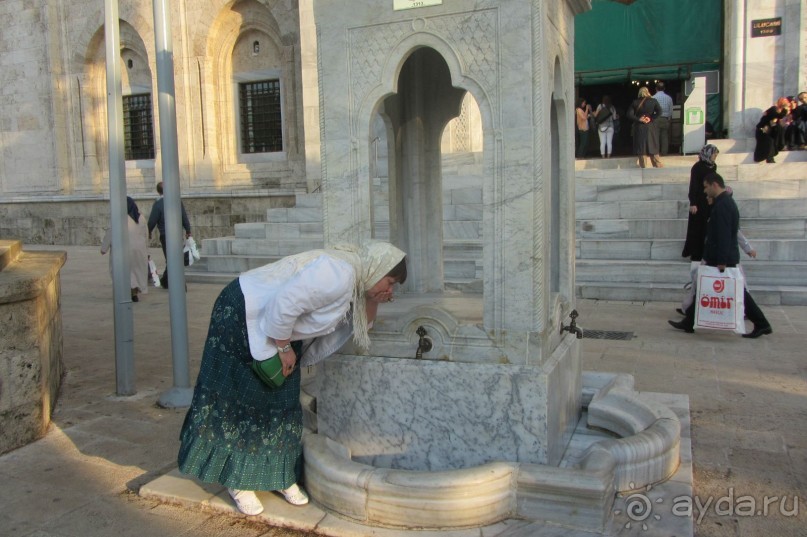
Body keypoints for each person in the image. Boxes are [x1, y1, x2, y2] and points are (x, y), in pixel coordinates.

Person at [177, 241, 407, 515]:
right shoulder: (338, 273)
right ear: (377, 268)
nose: (389, 290)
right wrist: (284, 348)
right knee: (245, 398)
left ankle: (279, 475)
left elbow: (363, 326)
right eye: (389, 282)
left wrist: (373, 297)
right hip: (243, 317)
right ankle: (237, 480)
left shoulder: (358, 282)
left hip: (279, 330)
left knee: (283, 403)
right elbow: (284, 303)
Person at [668, 173, 772, 338]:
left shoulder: (724, 205)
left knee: (738, 293)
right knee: (705, 288)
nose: (704, 190)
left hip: (721, 258)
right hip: (718, 256)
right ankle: (689, 322)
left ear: (714, 185)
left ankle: (761, 323)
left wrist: (722, 261)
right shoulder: (723, 203)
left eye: (706, 186)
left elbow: (724, 234)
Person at [100, 197, 149, 302]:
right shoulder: (141, 218)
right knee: (136, 271)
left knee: (124, 271)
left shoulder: (119, 218)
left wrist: (104, 248)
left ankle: (128, 292)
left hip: (123, 249)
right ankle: (134, 293)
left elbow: (110, 233)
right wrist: (146, 250)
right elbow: (146, 235)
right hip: (139, 250)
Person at [147, 181, 192, 287]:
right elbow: (184, 216)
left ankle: (170, 281)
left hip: (165, 236)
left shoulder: (157, 205)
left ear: (158, 192)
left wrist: (148, 231)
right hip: (177, 235)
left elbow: (152, 221)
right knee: (174, 257)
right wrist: (188, 230)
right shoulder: (177, 201)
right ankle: (169, 281)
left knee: (170, 258)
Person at [681, 144, 719, 262]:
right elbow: (694, 186)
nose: (715, 157)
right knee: (697, 229)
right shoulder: (697, 167)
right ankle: (695, 253)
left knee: (707, 228)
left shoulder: (713, 166)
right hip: (699, 202)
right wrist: (693, 202)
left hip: (710, 201)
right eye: (713, 154)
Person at [627, 87, 663, 168]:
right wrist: (650, 118)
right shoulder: (653, 101)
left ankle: (643, 167)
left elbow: (629, 114)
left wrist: (639, 119)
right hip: (650, 126)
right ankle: (657, 166)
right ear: (648, 92)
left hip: (639, 127)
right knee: (653, 146)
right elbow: (660, 111)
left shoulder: (635, 102)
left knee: (641, 148)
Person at [753, 98, 789, 163]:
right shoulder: (773, 109)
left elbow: (774, 124)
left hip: (768, 132)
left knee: (771, 142)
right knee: (769, 142)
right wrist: (785, 110)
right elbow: (780, 116)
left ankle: (770, 159)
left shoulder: (775, 113)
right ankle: (769, 159)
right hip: (762, 131)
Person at [653, 82, 674, 155]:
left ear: (656, 89)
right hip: (665, 118)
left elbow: (652, 110)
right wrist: (669, 118)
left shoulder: (653, 98)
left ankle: (656, 152)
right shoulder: (669, 98)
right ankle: (664, 152)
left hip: (656, 118)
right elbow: (671, 110)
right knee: (664, 136)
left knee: (656, 136)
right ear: (664, 88)